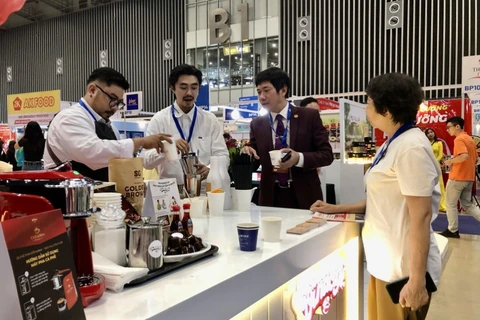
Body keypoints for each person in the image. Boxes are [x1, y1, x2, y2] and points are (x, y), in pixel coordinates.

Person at [311, 73, 441, 320]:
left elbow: (421, 217)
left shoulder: (410, 148)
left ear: (387, 109)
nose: (366, 108)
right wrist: (334, 208)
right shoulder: (393, 142)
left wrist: (415, 280)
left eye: (369, 103)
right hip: (385, 263)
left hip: (402, 271)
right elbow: (383, 201)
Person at [44, 67, 171, 181]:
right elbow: (92, 152)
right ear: (92, 90)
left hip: (103, 200)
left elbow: (120, 161)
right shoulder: (69, 118)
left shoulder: (111, 128)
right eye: (112, 99)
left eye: (119, 102)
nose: (115, 108)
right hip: (66, 201)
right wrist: (140, 142)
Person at [241, 67, 333, 209]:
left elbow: (326, 155)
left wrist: (298, 158)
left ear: (283, 90)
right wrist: (246, 152)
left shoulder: (308, 117)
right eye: (259, 92)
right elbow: (254, 158)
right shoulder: (257, 124)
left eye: (266, 90)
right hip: (270, 197)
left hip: (305, 196)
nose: (262, 97)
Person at [143, 64, 229, 185]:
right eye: (183, 87)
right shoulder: (159, 120)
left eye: (194, 87)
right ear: (172, 88)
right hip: (170, 191)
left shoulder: (210, 120)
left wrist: (211, 168)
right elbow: (145, 161)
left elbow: (222, 154)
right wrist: (167, 148)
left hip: (203, 190)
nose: (189, 93)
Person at [441, 116, 480, 238]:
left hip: (458, 177)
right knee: (467, 205)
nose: (448, 130)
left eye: (449, 127)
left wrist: (450, 161)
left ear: (457, 126)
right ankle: (452, 229)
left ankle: (452, 230)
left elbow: (464, 156)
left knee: (450, 203)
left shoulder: (459, 139)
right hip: (469, 177)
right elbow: (476, 159)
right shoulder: (469, 139)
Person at [425, 128, 446, 212]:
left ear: (434, 133)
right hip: (427, 167)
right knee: (428, 186)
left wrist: (434, 162)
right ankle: (428, 206)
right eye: (428, 133)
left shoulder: (439, 143)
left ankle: (442, 206)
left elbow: (441, 155)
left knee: (440, 186)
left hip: (436, 166)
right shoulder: (425, 143)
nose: (430, 134)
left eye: (431, 132)